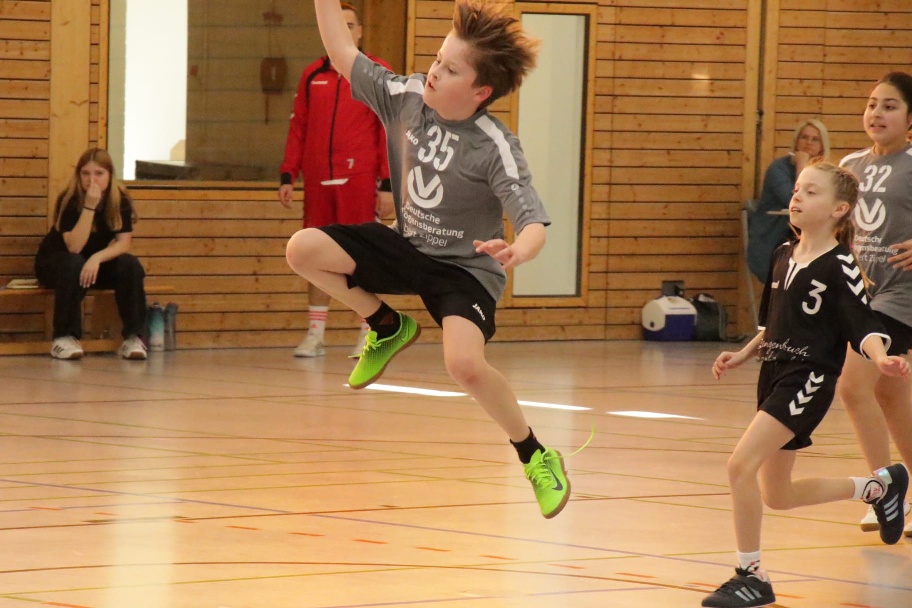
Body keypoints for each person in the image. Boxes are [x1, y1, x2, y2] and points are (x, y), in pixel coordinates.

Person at [286, 0, 571, 518]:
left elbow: (533, 221)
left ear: (480, 91)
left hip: (465, 270)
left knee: (464, 365)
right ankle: (385, 323)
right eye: (438, 59)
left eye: (452, 69)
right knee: (303, 249)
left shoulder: (495, 146)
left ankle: (535, 454)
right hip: (409, 245)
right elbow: (342, 50)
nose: (435, 71)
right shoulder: (406, 97)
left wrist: (518, 250)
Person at [703, 162, 909, 608]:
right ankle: (878, 488)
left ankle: (751, 575)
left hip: (807, 378)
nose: (797, 197)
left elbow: (864, 324)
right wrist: (743, 354)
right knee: (778, 495)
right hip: (773, 373)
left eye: (811, 192)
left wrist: (881, 358)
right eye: (797, 189)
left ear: (839, 209)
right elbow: (772, 325)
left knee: (740, 466)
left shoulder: (840, 265)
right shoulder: (782, 253)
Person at [278, 1, 393, 358]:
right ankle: (316, 333)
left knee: (364, 258)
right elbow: (299, 126)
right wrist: (288, 173)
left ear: (360, 32)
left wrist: (388, 184)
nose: (344, 31)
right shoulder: (312, 75)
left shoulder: (376, 73)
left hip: (359, 181)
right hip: (318, 183)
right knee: (314, 254)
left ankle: (372, 332)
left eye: (350, 25)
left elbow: (389, 130)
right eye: (337, 24)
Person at [837, 71, 912, 537]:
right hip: (862, 293)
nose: (877, 113)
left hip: (902, 294)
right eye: (871, 104)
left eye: (889, 106)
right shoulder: (850, 165)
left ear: (909, 117)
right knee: (890, 394)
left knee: (852, 384)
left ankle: (884, 491)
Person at [34, 148, 147, 361]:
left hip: (91, 263)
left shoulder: (119, 199)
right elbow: (74, 246)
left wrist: (97, 258)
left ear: (110, 175)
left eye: (99, 173)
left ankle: (133, 337)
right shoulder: (69, 199)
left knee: (130, 265)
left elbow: (124, 243)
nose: (91, 179)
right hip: (58, 263)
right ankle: (64, 337)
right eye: (85, 173)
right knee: (74, 262)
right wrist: (89, 207)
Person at [747, 119, 830, 283]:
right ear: (796, 141)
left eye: (815, 139)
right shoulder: (778, 169)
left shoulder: (826, 173)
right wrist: (801, 165)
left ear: (822, 146)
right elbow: (798, 202)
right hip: (772, 244)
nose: (808, 143)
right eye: (804, 137)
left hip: (808, 244)